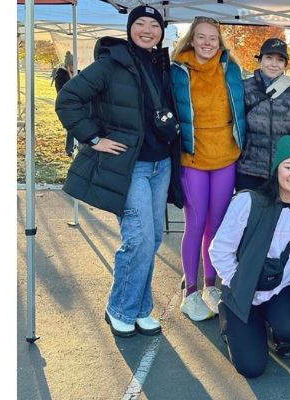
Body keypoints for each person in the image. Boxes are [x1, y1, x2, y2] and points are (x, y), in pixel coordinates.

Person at [55, 5, 181, 337]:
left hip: (161, 164)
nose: (146, 30)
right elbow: (68, 99)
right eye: (139, 23)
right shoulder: (111, 63)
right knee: (138, 239)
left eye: (153, 25)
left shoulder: (161, 63)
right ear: (129, 29)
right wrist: (93, 138)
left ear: (161, 32)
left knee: (152, 239)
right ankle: (119, 308)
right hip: (131, 167)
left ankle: (140, 308)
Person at [210, 136, 290, 378]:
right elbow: (218, 250)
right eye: (288, 166)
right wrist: (237, 280)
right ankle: (231, 321)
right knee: (252, 368)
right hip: (243, 289)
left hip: (279, 288)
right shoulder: (247, 202)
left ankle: (273, 329)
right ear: (276, 170)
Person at [171, 16, 246, 322]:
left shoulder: (231, 69)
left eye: (212, 38)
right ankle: (190, 291)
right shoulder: (179, 70)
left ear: (220, 41)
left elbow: (242, 107)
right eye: (200, 37)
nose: (206, 43)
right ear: (191, 39)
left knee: (216, 226)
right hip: (193, 158)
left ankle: (210, 286)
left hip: (225, 157)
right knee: (196, 223)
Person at [235, 38, 290, 191]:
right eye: (269, 58)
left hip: (282, 170)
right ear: (260, 60)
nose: (274, 64)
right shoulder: (244, 87)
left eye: (280, 60)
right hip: (248, 170)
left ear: (285, 64)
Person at [50, 64, 74, 156]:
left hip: (77, 104)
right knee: (72, 125)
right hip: (66, 105)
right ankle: (70, 149)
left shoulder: (76, 72)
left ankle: (72, 148)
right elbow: (62, 92)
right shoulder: (61, 75)